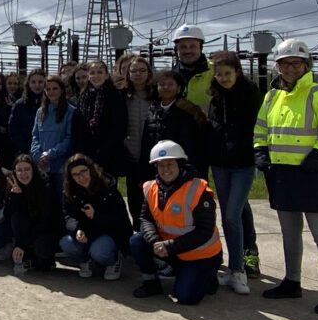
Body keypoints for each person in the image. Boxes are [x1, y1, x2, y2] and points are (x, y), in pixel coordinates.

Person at [255, 39, 318, 314]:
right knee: (289, 234)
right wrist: (261, 152)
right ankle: (291, 282)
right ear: (278, 66)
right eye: (284, 63)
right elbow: (261, 128)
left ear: (306, 65)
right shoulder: (272, 96)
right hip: (282, 174)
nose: (290, 68)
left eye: (296, 63)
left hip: (313, 174)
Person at [130, 141, 222, 306]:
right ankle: (152, 282)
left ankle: (208, 277)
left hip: (201, 255)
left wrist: (170, 246)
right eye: (161, 165)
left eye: (170, 164)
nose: (165, 169)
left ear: (180, 164)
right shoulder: (151, 188)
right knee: (137, 241)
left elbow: (204, 231)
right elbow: (145, 219)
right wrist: (154, 242)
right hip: (171, 249)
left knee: (186, 298)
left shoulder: (197, 189)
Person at [208, 51, 263, 295]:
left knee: (232, 215)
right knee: (229, 214)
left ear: (237, 72)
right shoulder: (216, 96)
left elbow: (259, 127)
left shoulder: (250, 95)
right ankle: (232, 268)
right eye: (219, 74)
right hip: (220, 163)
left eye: (227, 73)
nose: (223, 78)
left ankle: (238, 270)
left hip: (243, 163)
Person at [60, 153, 132, 280]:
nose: (81, 177)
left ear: (91, 169)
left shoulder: (108, 189)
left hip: (107, 234)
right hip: (85, 233)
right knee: (66, 243)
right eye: (75, 174)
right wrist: (78, 229)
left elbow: (120, 222)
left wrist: (95, 216)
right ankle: (85, 260)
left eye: (84, 171)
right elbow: (68, 216)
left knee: (100, 251)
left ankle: (113, 260)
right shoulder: (69, 191)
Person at [5, 154, 62, 271]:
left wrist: (22, 244)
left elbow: (46, 220)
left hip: (46, 231)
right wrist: (14, 197)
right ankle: (28, 256)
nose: (23, 174)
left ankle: (44, 258)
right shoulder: (13, 185)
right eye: (19, 170)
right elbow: (8, 216)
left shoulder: (45, 186)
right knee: (16, 217)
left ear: (33, 170)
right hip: (27, 230)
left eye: (27, 169)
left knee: (43, 261)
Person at [142, 70, 205, 170]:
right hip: (156, 164)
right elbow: (146, 141)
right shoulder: (152, 110)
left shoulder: (187, 111)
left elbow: (191, 145)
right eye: (162, 84)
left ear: (179, 88)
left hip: (178, 166)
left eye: (170, 84)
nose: (166, 87)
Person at [74, 60, 128, 178]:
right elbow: (78, 125)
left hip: (109, 153)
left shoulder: (115, 95)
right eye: (92, 73)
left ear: (107, 75)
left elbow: (119, 127)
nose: (96, 76)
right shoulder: (84, 96)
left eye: (100, 72)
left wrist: (102, 152)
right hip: (87, 152)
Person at [121, 56, 154, 230]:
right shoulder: (123, 96)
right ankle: (138, 236)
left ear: (149, 73)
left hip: (153, 158)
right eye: (134, 71)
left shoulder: (156, 95)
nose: (138, 74)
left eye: (142, 70)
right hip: (132, 156)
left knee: (152, 201)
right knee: (134, 201)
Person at [30, 75, 79, 191]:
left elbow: (69, 138)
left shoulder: (71, 111)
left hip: (61, 167)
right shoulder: (40, 112)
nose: (51, 92)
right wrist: (37, 155)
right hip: (42, 166)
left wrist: (50, 154)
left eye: (55, 88)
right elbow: (35, 135)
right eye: (48, 89)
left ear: (62, 90)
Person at [171, 24, 214, 114]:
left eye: (192, 46)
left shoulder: (216, 72)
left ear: (201, 48)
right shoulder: (171, 76)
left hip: (209, 127)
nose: (188, 51)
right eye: (183, 47)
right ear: (176, 50)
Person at [8, 69, 46, 158]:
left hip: (48, 153)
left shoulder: (51, 104)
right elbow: (13, 131)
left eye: (40, 82)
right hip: (26, 153)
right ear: (28, 83)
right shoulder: (19, 105)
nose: (37, 85)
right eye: (33, 82)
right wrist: (27, 149)